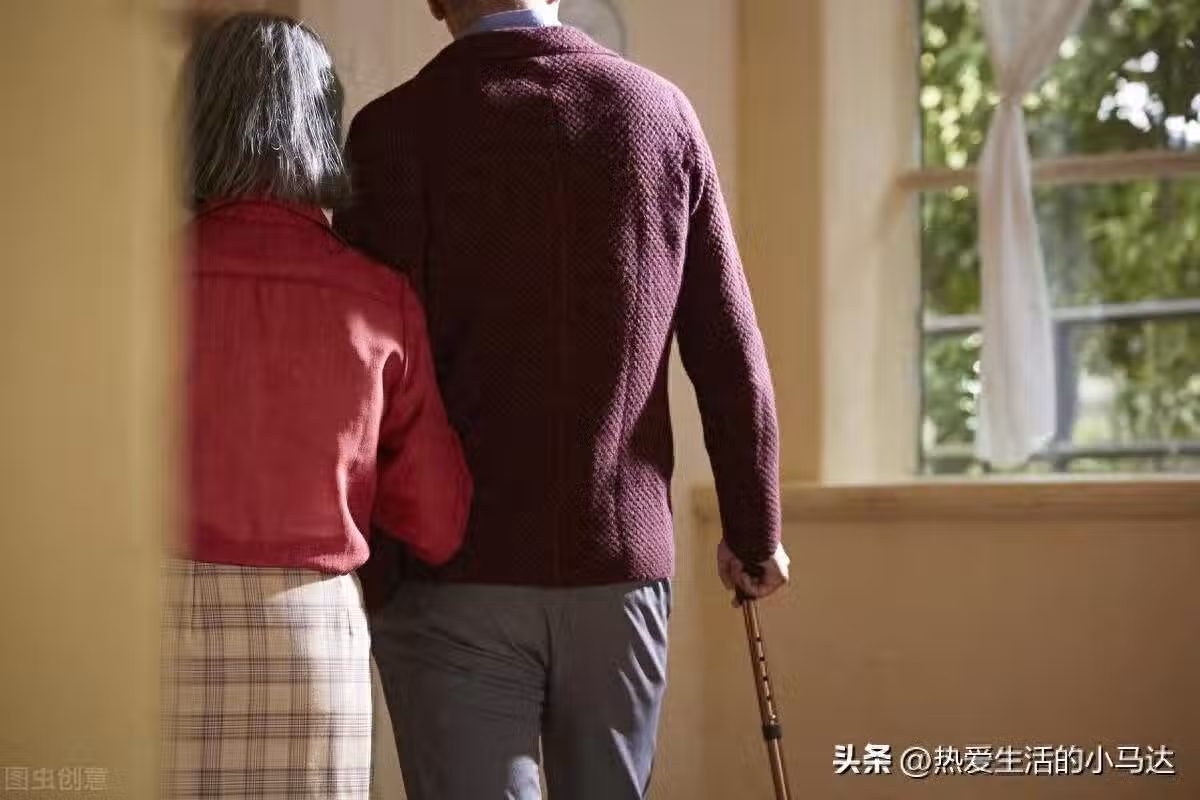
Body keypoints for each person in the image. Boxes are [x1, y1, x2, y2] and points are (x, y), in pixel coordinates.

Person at [335, 1, 789, 797]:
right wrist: (754, 535)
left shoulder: (391, 134)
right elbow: (730, 353)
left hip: (448, 568)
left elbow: (357, 367)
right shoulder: (660, 116)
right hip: (617, 564)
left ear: (435, 1)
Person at [162, 13, 472, 800]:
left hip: (149, 622)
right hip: (310, 637)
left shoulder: (137, 281)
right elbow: (437, 521)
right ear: (322, 126)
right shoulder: (377, 298)